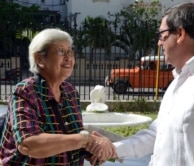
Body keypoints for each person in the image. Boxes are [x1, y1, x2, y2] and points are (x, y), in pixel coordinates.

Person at [87, 2, 194, 166]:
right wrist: (114, 148)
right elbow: (158, 134)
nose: (159, 43)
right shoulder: (180, 80)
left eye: (161, 35)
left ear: (180, 33)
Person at [0, 28, 114, 166]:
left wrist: (96, 149)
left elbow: (71, 138)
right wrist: (86, 139)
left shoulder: (70, 91)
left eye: (70, 51)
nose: (68, 58)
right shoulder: (26, 91)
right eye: (61, 51)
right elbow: (28, 144)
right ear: (40, 59)